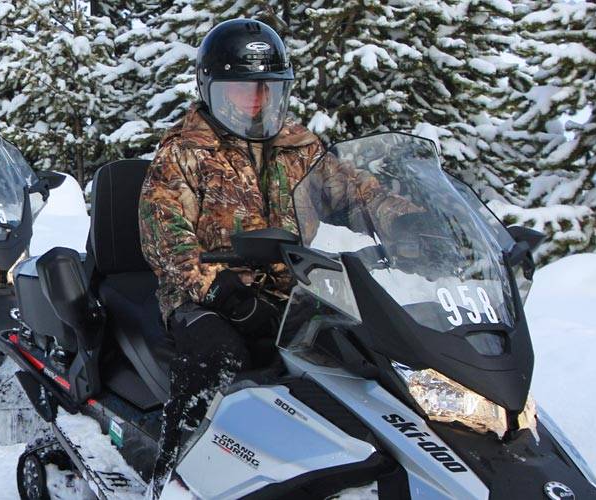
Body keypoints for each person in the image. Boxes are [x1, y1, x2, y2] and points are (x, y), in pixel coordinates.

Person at [137, 18, 417, 477]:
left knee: (364, 353)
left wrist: (408, 222)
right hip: (205, 296)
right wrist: (218, 289)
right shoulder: (185, 151)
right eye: (243, 91)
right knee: (215, 356)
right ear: (213, 91)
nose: (257, 101)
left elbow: (354, 192)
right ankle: (174, 470)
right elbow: (163, 237)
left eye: (267, 89)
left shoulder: (298, 146)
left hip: (295, 289)